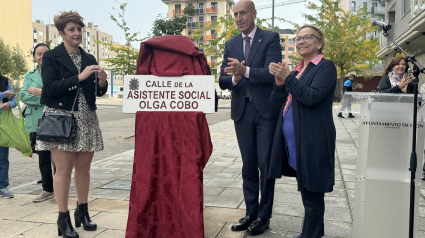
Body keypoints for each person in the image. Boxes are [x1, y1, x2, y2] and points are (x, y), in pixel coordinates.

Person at [35, 11, 108, 238]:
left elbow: (96, 92)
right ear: (61, 33)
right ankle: (63, 218)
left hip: (87, 117)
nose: (77, 33)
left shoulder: (89, 58)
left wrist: (102, 83)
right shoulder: (51, 57)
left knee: (84, 168)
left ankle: (82, 212)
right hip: (61, 118)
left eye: (79, 29)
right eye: (71, 30)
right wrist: (79, 77)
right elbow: (49, 88)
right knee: (63, 170)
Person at [218, 0, 281, 235]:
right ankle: (251, 213)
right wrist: (234, 79)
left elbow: (271, 72)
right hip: (242, 112)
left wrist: (244, 71)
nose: (238, 18)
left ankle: (264, 216)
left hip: (265, 112)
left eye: (242, 13)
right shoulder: (230, 44)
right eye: (235, 14)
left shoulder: (270, 38)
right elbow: (223, 80)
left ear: (254, 14)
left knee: (265, 165)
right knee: (248, 165)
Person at [268, 25, 337, 238]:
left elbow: (311, 97)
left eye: (308, 37)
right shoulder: (298, 69)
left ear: (320, 43)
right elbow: (276, 104)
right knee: (307, 190)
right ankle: (311, 233)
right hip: (294, 141)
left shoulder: (325, 67)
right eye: (298, 38)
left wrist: (288, 77)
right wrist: (280, 84)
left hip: (313, 139)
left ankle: (311, 235)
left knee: (313, 192)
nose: (301, 41)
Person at [20, 43, 55, 203]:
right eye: (38, 53)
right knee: (43, 157)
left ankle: (61, 186)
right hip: (36, 120)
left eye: (44, 53)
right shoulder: (29, 75)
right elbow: (24, 96)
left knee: (59, 156)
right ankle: (48, 189)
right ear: (34, 56)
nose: (41, 56)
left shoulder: (57, 72)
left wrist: (40, 93)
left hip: (55, 119)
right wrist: (46, 97)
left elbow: (60, 93)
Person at [0, 74, 17, 199]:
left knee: (3, 157)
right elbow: (7, 94)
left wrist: (9, 105)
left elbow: (14, 100)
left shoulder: (4, 80)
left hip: (3, 123)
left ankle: (3, 187)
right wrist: (3, 95)